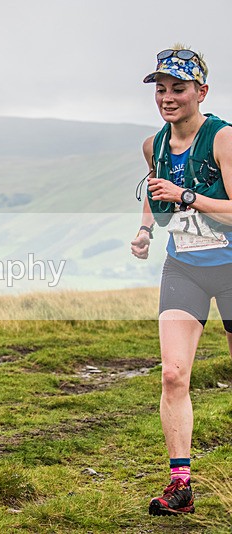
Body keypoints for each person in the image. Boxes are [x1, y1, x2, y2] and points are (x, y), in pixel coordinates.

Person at [131, 44, 232, 516]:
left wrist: (187, 195)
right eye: (161, 89)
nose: (168, 98)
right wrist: (145, 230)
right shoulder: (153, 145)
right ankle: (181, 486)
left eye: (178, 88)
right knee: (172, 374)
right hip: (184, 267)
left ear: (201, 92)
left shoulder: (223, 139)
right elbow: (156, 193)